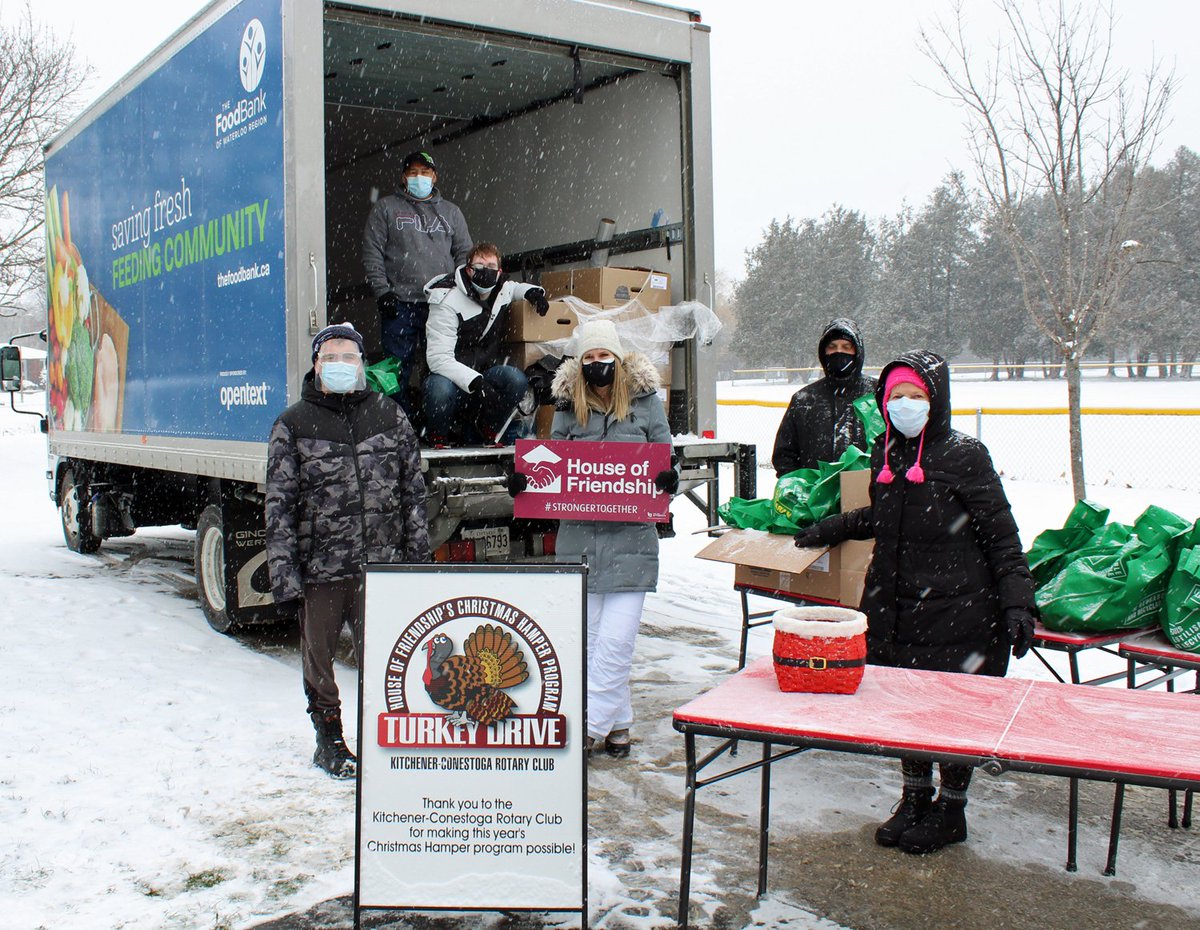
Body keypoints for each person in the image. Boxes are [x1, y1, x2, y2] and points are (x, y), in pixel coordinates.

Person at [791, 350, 1036, 854]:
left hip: (959, 613)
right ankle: (915, 797)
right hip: (895, 607)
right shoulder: (885, 451)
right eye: (895, 396)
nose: (904, 405)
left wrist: (1018, 603)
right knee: (904, 708)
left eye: (915, 396)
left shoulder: (965, 455)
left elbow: (1001, 535)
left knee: (952, 714)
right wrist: (831, 527)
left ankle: (951, 809)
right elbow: (884, 514)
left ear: (936, 399)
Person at [264, 322, 430, 779]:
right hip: (322, 568)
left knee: (388, 659)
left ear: (362, 364)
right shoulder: (293, 423)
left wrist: (419, 563)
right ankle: (330, 740)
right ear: (317, 365)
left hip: (383, 568)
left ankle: (385, 737)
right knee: (319, 660)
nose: (340, 365)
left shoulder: (390, 415)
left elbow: (413, 494)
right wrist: (285, 578)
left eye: (348, 357)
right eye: (331, 357)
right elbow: (279, 506)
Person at [507, 319, 678, 758]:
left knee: (616, 644)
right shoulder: (568, 406)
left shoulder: (646, 403)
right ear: (580, 362)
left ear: (617, 359)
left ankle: (588, 726)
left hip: (631, 545)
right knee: (589, 643)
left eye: (604, 356)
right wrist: (524, 482)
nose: (597, 363)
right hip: (579, 543)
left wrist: (668, 478)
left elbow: (665, 457)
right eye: (589, 357)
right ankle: (619, 724)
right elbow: (552, 464)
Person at [362, 150, 472, 412]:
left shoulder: (452, 212)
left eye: (424, 172)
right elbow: (372, 252)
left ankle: (436, 423)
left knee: (440, 368)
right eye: (413, 172)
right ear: (404, 177)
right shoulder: (386, 208)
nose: (419, 177)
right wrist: (383, 292)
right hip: (399, 304)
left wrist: (459, 291)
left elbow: (465, 254)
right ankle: (396, 424)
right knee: (395, 372)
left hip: (441, 304)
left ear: (434, 177)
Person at [423, 242, 550, 446]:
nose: (486, 271)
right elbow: (438, 359)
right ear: (468, 270)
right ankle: (438, 435)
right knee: (439, 389)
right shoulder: (446, 299)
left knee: (516, 379)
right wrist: (476, 382)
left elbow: (515, 288)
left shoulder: (501, 289)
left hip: (483, 372)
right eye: (480, 266)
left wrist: (534, 293)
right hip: (449, 377)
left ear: (499, 272)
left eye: (491, 267)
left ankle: (489, 429)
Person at [772, 318, 876, 476]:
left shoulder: (878, 394)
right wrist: (802, 484)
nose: (838, 352)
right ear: (823, 352)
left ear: (857, 351)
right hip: (814, 490)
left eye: (846, 347)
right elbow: (785, 455)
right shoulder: (804, 399)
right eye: (832, 347)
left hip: (869, 489)